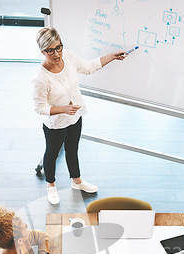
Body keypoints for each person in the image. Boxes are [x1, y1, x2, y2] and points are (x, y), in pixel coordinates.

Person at [33, 27, 127, 205]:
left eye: (58, 47)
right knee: (51, 154)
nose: (56, 54)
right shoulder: (40, 77)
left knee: (72, 149)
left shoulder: (67, 57)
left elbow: (89, 67)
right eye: (50, 50)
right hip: (55, 123)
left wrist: (112, 56)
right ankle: (51, 186)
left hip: (75, 116)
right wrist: (62, 109)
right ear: (42, 51)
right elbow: (39, 107)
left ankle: (76, 181)